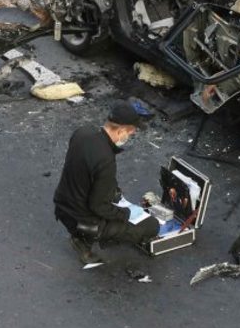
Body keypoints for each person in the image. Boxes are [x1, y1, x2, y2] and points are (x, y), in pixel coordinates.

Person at [53, 101, 160, 265]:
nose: (130, 136)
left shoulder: (83, 132)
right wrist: (125, 214)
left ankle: (87, 233)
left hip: (62, 205)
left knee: (114, 197)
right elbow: (98, 206)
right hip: (82, 219)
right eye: (130, 133)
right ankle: (84, 238)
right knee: (151, 225)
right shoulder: (105, 160)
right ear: (121, 131)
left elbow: (85, 171)